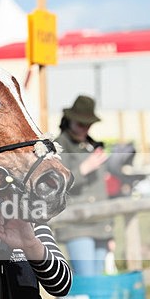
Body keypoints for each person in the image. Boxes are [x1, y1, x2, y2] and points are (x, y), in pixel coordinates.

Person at [54, 95, 113, 276]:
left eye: (88, 124)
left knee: (98, 281)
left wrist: (111, 231)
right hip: (77, 225)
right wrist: (83, 169)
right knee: (86, 279)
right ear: (70, 120)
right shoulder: (59, 146)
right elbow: (56, 185)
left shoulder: (91, 145)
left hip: (100, 223)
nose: (84, 128)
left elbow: (102, 191)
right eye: (80, 124)